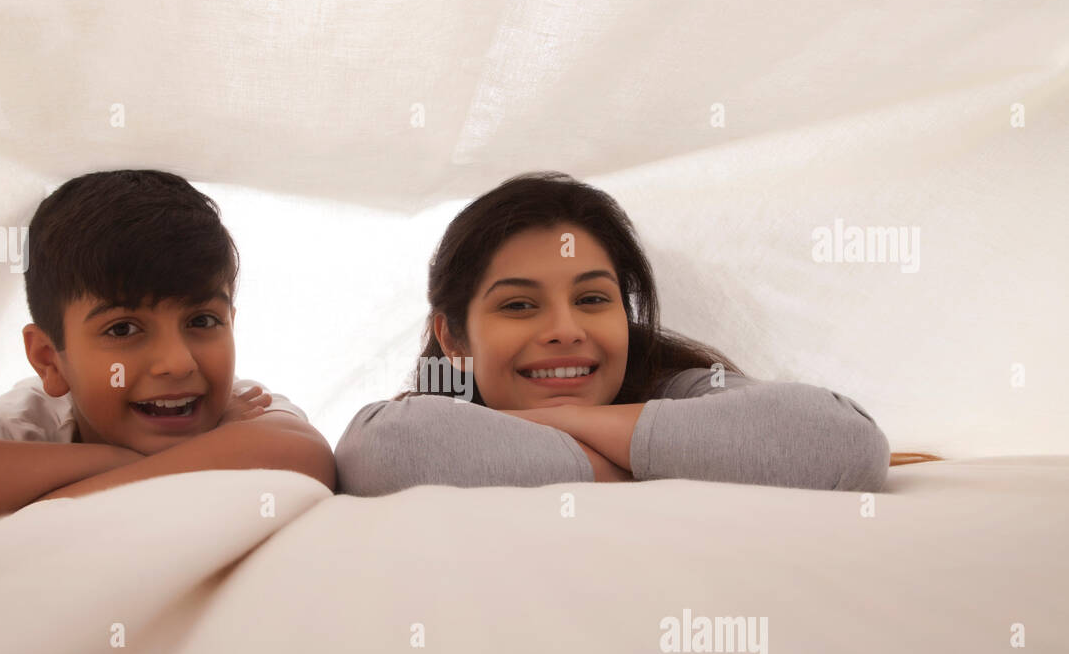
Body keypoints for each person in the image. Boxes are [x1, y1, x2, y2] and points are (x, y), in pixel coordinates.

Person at [334, 171, 925, 497]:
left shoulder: (677, 389)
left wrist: (554, 424)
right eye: (519, 305)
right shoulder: (422, 419)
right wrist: (658, 463)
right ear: (454, 338)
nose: (565, 331)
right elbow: (386, 452)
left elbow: (845, 443)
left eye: (592, 299)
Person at [0, 170, 335, 518]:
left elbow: (300, 454)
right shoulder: (29, 423)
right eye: (123, 329)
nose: (177, 362)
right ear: (51, 360)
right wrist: (118, 460)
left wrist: (38, 509)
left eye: (203, 321)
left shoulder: (249, 409)